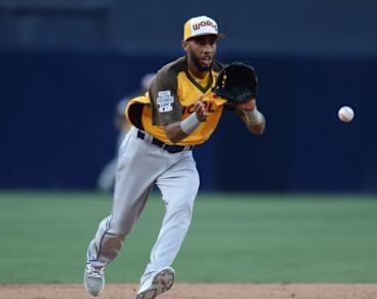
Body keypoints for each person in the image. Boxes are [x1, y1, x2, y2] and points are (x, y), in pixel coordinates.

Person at [83, 15, 266, 299]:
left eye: (212, 42)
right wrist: (197, 118)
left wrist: (251, 110)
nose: (207, 48)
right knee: (121, 225)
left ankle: (152, 276)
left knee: (182, 205)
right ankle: (96, 262)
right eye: (200, 42)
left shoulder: (223, 79)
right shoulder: (167, 77)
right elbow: (173, 132)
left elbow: (258, 129)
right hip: (144, 149)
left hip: (181, 159)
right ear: (186, 45)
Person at [96, 73, 155, 192]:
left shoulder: (158, 101)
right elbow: (118, 117)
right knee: (123, 160)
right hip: (129, 134)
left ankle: (137, 189)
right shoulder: (132, 99)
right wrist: (125, 130)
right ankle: (105, 184)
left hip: (147, 136)